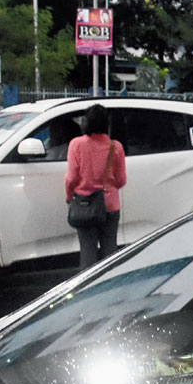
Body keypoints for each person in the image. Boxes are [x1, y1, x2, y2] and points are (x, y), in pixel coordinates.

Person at [65, 105, 127, 268]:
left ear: (87, 122)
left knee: (87, 252)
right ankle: (110, 286)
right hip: (110, 206)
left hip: (85, 205)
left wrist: (69, 196)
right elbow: (121, 180)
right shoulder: (116, 147)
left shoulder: (76, 145)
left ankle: (88, 289)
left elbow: (71, 178)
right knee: (110, 252)